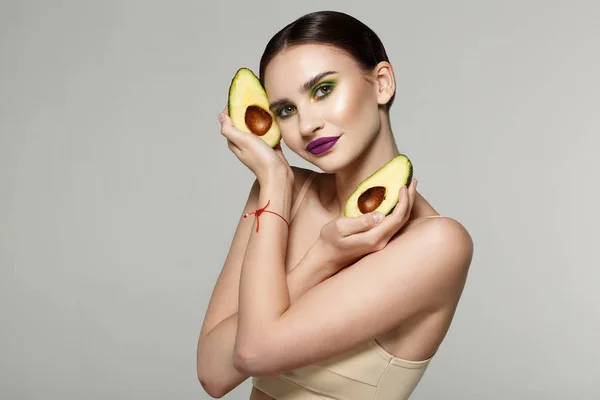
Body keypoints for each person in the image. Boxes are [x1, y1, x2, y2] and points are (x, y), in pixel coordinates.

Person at [197, 10, 474, 400]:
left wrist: (316, 244)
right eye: (286, 110)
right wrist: (319, 253)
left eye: (323, 90)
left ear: (381, 83)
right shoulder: (278, 194)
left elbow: (252, 351)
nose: (306, 124)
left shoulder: (437, 243)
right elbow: (213, 373)